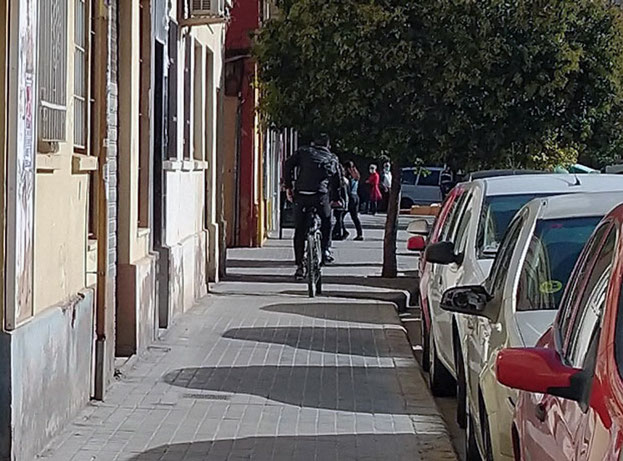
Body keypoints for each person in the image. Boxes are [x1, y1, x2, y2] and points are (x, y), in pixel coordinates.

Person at [284, 133, 342, 280]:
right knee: (327, 221)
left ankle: (299, 266)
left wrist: (288, 186)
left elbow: (287, 164)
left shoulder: (303, 152)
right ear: (328, 145)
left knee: (300, 230)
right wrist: (336, 199)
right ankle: (325, 250)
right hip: (320, 196)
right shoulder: (332, 157)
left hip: (302, 194)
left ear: (313, 143)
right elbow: (337, 180)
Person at [344, 161, 363, 240]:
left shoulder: (348, 177)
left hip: (351, 197)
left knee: (340, 216)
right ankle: (360, 233)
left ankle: (344, 232)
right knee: (355, 217)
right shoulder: (356, 174)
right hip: (356, 196)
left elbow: (348, 189)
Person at [332, 163, 350, 241]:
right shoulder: (344, 180)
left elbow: (344, 193)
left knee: (339, 218)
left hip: (341, 202)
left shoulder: (342, 181)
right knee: (339, 218)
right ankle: (340, 232)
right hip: (342, 201)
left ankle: (339, 233)